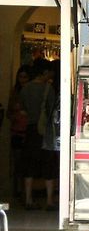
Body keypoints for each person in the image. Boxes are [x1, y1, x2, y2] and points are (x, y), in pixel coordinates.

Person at [19, 58, 55, 210]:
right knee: (48, 163)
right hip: (46, 131)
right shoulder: (49, 89)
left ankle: (28, 199)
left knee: (30, 164)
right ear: (45, 72)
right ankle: (49, 201)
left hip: (31, 128)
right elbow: (53, 109)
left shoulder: (25, 89)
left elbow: (23, 109)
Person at [6, 65, 32, 198]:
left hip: (29, 130)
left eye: (25, 77)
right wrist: (16, 115)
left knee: (26, 162)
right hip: (17, 131)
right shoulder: (15, 91)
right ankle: (17, 189)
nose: (23, 80)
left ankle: (24, 190)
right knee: (17, 161)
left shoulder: (31, 91)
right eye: (20, 77)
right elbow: (8, 112)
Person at [42, 60, 61, 210]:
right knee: (61, 166)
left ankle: (49, 199)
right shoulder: (67, 88)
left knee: (49, 165)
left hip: (49, 134)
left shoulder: (48, 88)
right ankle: (60, 198)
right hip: (62, 133)